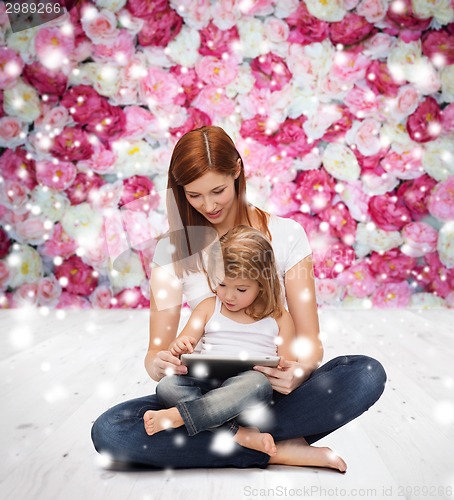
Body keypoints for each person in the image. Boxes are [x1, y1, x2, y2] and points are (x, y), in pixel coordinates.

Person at [91, 125, 386, 470]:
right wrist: (160, 362)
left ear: (237, 173)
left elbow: (309, 343)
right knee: (110, 431)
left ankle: (222, 437)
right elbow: (156, 352)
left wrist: (298, 370)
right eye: (194, 195)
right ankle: (269, 445)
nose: (209, 205)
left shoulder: (287, 235)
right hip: (197, 390)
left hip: (266, 389)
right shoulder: (171, 250)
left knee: (365, 373)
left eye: (217, 190)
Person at [144, 225, 347, 471]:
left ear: (262, 284)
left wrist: (287, 370)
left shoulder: (279, 318)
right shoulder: (208, 308)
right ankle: (239, 434)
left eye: (241, 289)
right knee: (166, 386)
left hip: (248, 394)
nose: (228, 296)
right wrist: (179, 346)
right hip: (206, 386)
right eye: (221, 284)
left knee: (258, 383)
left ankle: (179, 417)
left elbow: (286, 367)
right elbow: (181, 344)